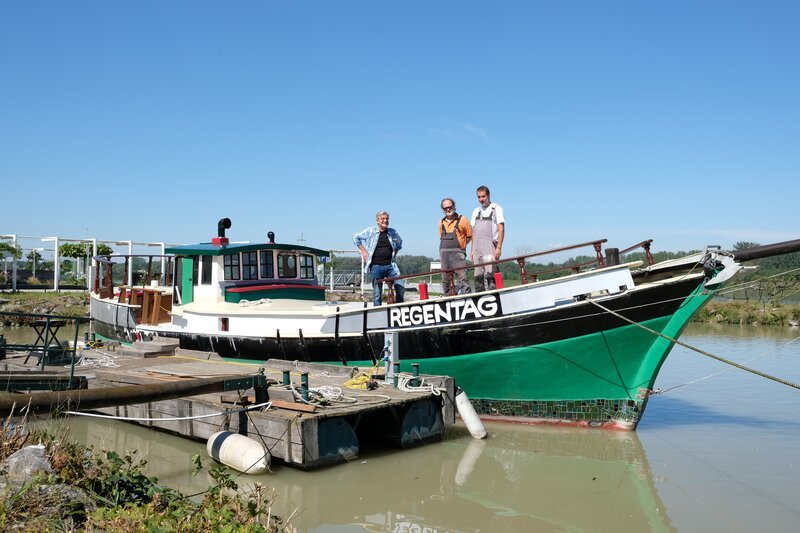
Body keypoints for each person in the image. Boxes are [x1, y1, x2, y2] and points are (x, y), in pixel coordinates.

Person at [353, 211, 405, 306]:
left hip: (390, 266)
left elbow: (399, 243)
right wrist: (364, 252)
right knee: (377, 294)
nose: (385, 221)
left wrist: (394, 255)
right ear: (377, 221)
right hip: (376, 266)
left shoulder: (392, 232)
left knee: (400, 286)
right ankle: (378, 314)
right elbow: (355, 238)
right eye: (383, 219)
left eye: (387, 219)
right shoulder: (370, 231)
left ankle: (399, 309)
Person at [470, 185, 505, 291]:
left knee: (490, 273)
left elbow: (501, 228)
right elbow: (473, 231)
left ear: (488, 195)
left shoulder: (496, 208)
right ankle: (479, 296)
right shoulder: (476, 211)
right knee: (478, 274)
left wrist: (498, 247)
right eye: (479, 197)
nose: (481, 199)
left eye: (483, 196)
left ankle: (493, 296)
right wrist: (472, 249)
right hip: (477, 246)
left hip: (490, 245)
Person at [439, 197, 472, 295]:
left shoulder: (463, 220)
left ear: (454, 206)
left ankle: (467, 298)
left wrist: (461, 246)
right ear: (443, 209)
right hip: (444, 256)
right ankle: (447, 300)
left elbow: (470, 236)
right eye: (445, 208)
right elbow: (441, 237)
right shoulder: (441, 223)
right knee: (445, 280)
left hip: (458, 255)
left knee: (463, 278)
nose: (448, 209)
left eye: (450, 207)